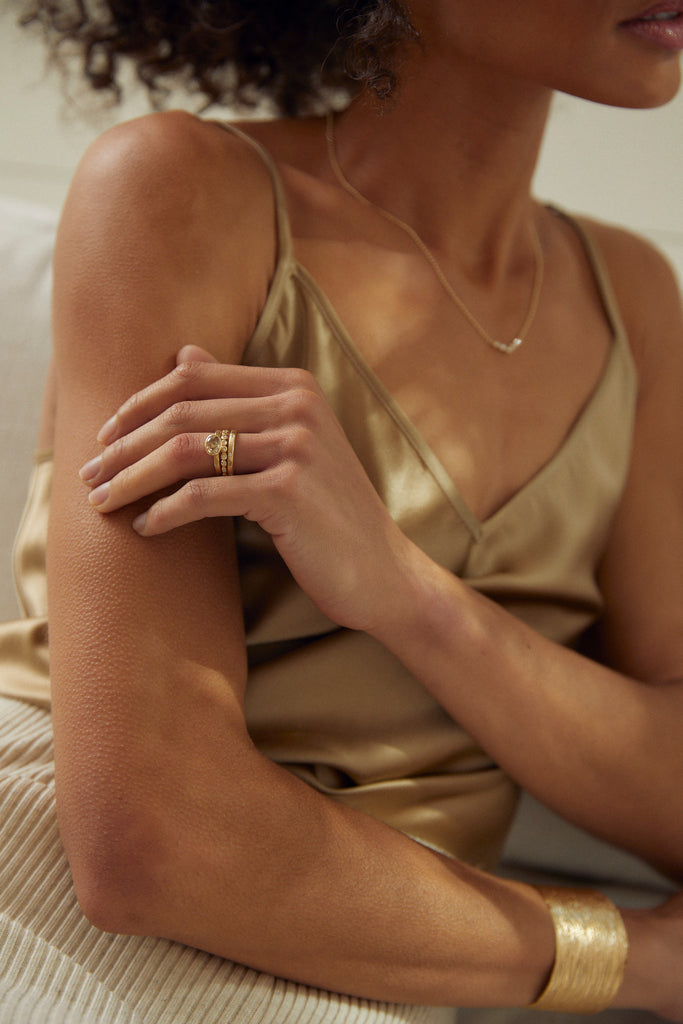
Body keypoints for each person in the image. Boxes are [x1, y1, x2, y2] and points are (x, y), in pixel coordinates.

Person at [1, 0, 683, 1020]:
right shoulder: (179, 192)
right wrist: (621, 956)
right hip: (56, 918)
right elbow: (150, 846)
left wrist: (412, 597)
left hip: (386, 958)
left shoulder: (631, 298)